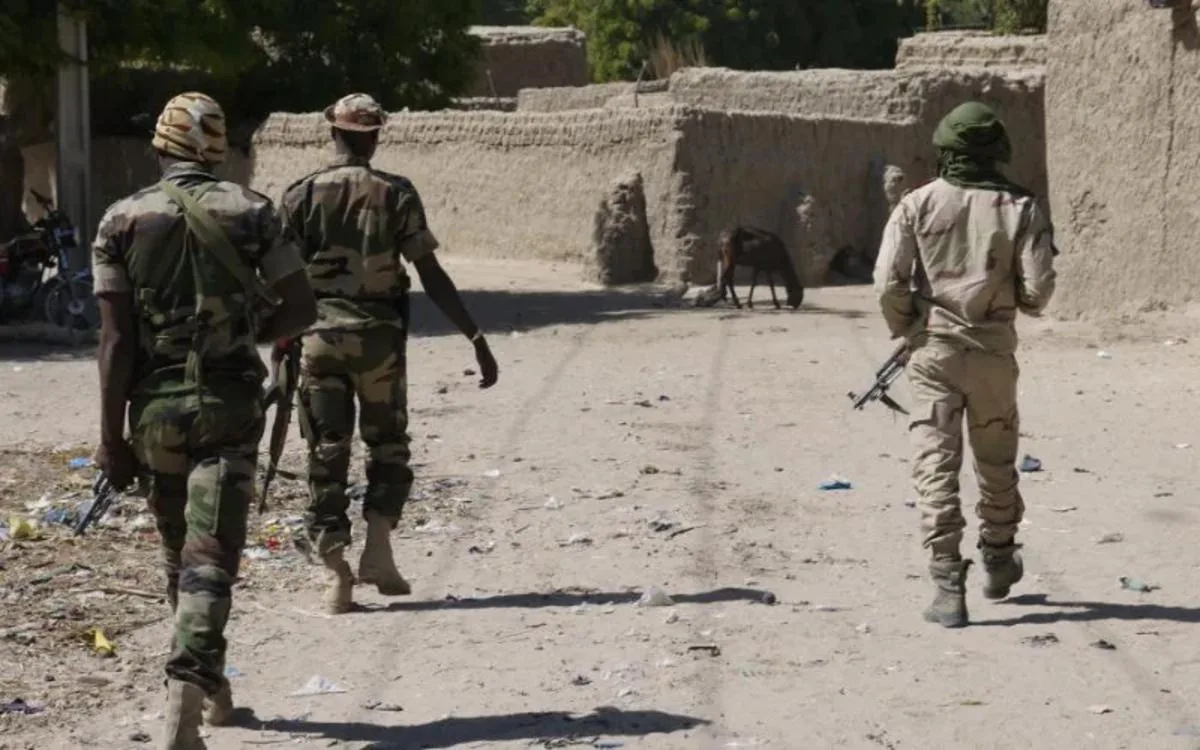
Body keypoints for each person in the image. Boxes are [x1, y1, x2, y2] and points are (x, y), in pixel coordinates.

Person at [92, 91, 317, 749]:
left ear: (160, 148)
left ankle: (208, 690)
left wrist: (110, 439)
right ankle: (189, 696)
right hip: (227, 409)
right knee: (210, 558)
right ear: (217, 152)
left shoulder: (120, 220)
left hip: (155, 414)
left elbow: (115, 342)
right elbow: (301, 306)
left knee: (179, 557)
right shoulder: (252, 212)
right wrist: (247, 335)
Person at [279, 93, 498, 615]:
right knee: (388, 446)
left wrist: (278, 345)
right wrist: (475, 337)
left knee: (326, 451)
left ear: (332, 133)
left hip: (319, 342)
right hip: (379, 342)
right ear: (374, 137)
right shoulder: (396, 193)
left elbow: (281, 279)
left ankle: (336, 575)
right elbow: (431, 274)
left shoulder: (300, 195)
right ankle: (378, 549)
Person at [873, 101, 1057, 629]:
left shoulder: (916, 204)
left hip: (933, 354)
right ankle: (998, 562)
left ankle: (947, 586)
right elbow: (1038, 292)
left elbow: (888, 282)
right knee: (996, 461)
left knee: (935, 463)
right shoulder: (1021, 206)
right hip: (994, 355)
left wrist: (910, 327)